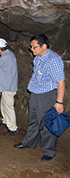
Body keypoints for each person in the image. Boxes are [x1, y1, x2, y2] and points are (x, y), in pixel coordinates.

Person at [14, 34, 65, 162]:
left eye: (34, 47)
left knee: (47, 124)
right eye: (31, 47)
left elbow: (61, 82)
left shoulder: (53, 59)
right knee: (33, 121)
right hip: (35, 93)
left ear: (44, 46)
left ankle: (49, 152)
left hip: (47, 95)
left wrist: (59, 102)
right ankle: (29, 143)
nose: (32, 50)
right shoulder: (37, 58)